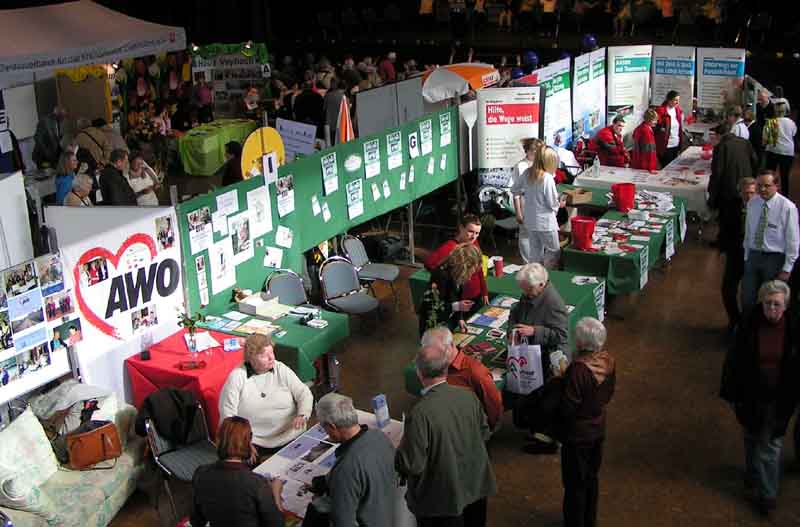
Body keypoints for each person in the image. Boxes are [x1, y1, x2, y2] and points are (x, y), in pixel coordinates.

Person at [720, 280, 799, 517]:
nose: (772, 309)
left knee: (772, 445)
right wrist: (730, 393)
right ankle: (753, 473)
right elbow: (733, 362)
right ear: (761, 303)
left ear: (785, 306)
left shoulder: (794, 329)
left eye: (777, 304)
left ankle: (767, 495)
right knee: (751, 435)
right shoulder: (747, 326)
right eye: (768, 304)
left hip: (779, 396)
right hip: (751, 393)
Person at [396, 343, 496, 527]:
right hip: (475, 487)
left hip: (441, 501)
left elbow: (413, 464)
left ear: (419, 373)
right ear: (445, 368)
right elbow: (484, 432)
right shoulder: (467, 396)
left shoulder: (420, 413)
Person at [558, 317, 616, 527]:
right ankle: (589, 520)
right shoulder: (608, 360)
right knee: (592, 477)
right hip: (598, 427)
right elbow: (608, 394)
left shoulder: (578, 370)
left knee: (574, 484)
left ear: (581, 342)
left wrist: (562, 379)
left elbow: (568, 407)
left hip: (577, 434)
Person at [306, 393, 396, 526]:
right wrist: (325, 482)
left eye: (323, 428)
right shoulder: (379, 436)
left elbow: (343, 521)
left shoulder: (346, 467)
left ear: (332, 426)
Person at [507, 262, 569, 453]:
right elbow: (516, 312)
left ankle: (544, 440)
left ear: (541, 284)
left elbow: (561, 335)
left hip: (545, 361)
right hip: (530, 355)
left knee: (544, 404)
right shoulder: (530, 292)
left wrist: (534, 330)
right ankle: (536, 432)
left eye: (528, 290)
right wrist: (513, 329)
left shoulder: (554, 303)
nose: (525, 293)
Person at [219, 334, 313, 457]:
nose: (271, 358)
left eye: (272, 353)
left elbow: (303, 393)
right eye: (264, 355)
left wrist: (302, 414)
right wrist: (244, 443)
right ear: (251, 358)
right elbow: (228, 415)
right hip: (256, 441)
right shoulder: (237, 377)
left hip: (290, 433)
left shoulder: (280, 368)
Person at [192, 416, 285, 527]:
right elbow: (277, 524)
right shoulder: (256, 483)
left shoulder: (200, 474)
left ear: (218, 440)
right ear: (248, 443)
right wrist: (276, 493)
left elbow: (197, 521)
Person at [421, 326, 504, 430]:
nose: (433, 358)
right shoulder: (436, 365)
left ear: (451, 345)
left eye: (439, 352)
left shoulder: (475, 372)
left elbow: (493, 405)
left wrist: (486, 430)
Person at [741, 171, 799, 315]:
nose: (762, 189)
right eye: (759, 186)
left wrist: (787, 268)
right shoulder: (752, 203)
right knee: (747, 298)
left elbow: (793, 240)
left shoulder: (787, 207)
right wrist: (747, 255)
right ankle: (748, 332)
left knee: (770, 302)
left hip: (775, 259)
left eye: (767, 186)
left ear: (776, 186)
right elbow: (749, 232)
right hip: (754, 256)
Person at [719, 178, 757, 334]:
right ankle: (735, 320)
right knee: (727, 290)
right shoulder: (731, 205)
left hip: (754, 255)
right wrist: (724, 249)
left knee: (750, 293)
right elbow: (724, 228)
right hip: (736, 253)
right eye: (745, 193)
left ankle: (748, 325)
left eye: (752, 193)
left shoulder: (761, 207)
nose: (749, 196)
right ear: (739, 192)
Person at [418, 243, 483, 336]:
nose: (470, 276)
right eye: (471, 271)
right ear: (464, 266)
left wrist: (459, 318)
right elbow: (431, 308)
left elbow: (457, 297)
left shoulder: (457, 273)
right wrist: (456, 306)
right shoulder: (440, 276)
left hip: (448, 320)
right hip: (433, 327)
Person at [513, 146, 562, 268]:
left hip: (530, 220)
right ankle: (546, 274)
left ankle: (535, 276)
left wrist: (529, 196)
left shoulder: (527, 173)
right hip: (546, 222)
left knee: (535, 253)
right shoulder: (547, 178)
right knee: (554, 251)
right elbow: (552, 203)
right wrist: (560, 203)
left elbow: (514, 189)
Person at [425, 213, 488, 304]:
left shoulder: (474, 242)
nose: (474, 236)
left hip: (476, 294)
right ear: (461, 228)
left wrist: (484, 291)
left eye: (477, 233)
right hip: (460, 298)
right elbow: (429, 264)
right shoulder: (450, 247)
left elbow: (479, 268)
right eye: (470, 231)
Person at [512, 138, 546, 262]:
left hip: (541, 205)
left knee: (540, 234)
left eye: (539, 150)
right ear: (527, 151)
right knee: (526, 234)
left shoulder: (543, 165)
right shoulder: (521, 166)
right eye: (534, 150)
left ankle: (539, 263)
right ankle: (528, 264)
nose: (536, 153)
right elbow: (516, 193)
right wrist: (519, 213)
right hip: (526, 203)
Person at [763, 99, 796, 198]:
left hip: (773, 151)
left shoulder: (771, 122)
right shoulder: (791, 122)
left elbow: (765, 140)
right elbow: (793, 134)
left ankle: (769, 194)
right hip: (788, 152)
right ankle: (785, 196)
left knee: (770, 175)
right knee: (785, 176)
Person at [654, 90, 685, 167]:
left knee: (674, 168)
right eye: (675, 100)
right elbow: (654, 126)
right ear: (669, 100)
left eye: (678, 100)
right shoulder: (660, 111)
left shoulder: (677, 110)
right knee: (667, 168)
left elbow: (680, 127)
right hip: (666, 146)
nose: (677, 102)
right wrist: (661, 129)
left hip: (676, 144)